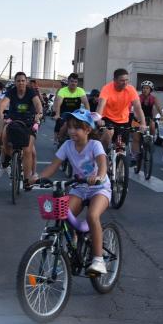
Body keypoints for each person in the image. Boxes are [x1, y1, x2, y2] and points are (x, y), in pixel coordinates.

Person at [30, 109, 110, 275]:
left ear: (88, 129)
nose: (72, 131)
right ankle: (71, 244)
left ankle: (98, 260)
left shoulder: (95, 145)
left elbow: (102, 164)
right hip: (79, 189)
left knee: (92, 216)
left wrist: (99, 177)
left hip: (99, 188)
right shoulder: (67, 145)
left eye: (77, 127)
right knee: (62, 213)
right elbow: (53, 166)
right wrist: (37, 177)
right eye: (71, 127)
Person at [0, 72, 43, 184]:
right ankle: (7, 158)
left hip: (28, 123)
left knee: (28, 151)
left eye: (23, 80)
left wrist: (39, 113)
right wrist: (0, 112)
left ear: (26, 82)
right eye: (18, 81)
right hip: (13, 120)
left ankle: (27, 180)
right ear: (15, 82)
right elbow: (3, 103)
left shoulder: (31, 92)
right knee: (4, 137)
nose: (21, 83)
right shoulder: (11, 91)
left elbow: (38, 104)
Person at [95, 69, 147, 154]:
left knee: (121, 147)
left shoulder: (130, 89)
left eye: (127, 80)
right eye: (122, 80)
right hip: (108, 118)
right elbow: (101, 105)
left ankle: (121, 164)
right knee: (109, 133)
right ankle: (101, 156)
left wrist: (143, 123)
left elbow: (138, 107)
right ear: (115, 80)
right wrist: (99, 119)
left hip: (124, 120)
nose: (125, 82)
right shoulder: (107, 89)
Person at [130, 81, 163, 165]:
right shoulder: (138, 97)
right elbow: (134, 107)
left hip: (148, 118)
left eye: (147, 88)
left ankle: (151, 140)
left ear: (150, 90)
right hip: (137, 119)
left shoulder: (153, 98)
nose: (145, 89)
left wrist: (162, 116)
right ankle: (134, 156)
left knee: (152, 125)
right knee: (136, 138)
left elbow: (158, 108)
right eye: (144, 88)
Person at [52, 73, 89, 144]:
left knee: (82, 126)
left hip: (76, 114)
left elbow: (86, 104)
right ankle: (59, 137)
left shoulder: (81, 91)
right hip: (64, 113)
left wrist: (88, 115)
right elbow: (58, 104)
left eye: (75, 82)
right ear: (68, 82)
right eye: (72, 81)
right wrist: (57, 114)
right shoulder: (62, 91)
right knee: (65, 124)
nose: (73, 83)